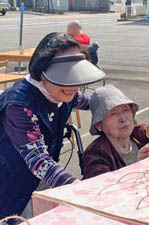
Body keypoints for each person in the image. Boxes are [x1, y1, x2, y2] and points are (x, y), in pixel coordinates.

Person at [0, 32, 105, 221]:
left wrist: (118, 106)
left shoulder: (64, 92)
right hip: (10, 179)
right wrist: (78, 189)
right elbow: (37, 158)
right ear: (42, 73)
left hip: (40, 180)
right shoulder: (19, 104)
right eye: (64, 77)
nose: (73, 87)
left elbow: (93, 101)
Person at [82, 85, 149, 179]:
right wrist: (137, 168)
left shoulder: (143, 133)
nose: (123, 118)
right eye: (113, 113)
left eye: (125, 110)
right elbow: (104, 188)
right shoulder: (96, 154)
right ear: (99, 125)